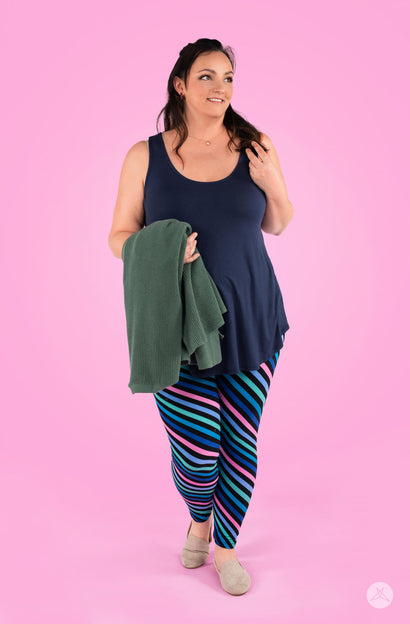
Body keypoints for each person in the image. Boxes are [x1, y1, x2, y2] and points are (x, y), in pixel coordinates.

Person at [108, 38, 294, 595]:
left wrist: (272, 184)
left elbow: (278, 223)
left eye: (228, 77)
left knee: (239, 442)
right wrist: (162, 248)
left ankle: (226, 546)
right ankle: (198, 518)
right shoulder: (145, 156)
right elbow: (119, 236)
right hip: (177, 326)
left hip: (252, 318)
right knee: (197, 449)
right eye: (207, 76)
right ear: (181, 84)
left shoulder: (255, 145)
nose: (220, 88)